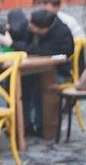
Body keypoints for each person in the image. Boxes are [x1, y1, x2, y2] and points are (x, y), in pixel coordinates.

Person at [23, 8, 76, 136]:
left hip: (58, 71)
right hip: (34, 70)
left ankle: (44, 127)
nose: (30, 27)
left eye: (33, 27)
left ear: (44, 29)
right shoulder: (31, 26)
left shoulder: (62, 33)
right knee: (21, 83)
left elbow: (42, 50)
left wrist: (14, 44)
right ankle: (25, 125)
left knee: (41, 87)